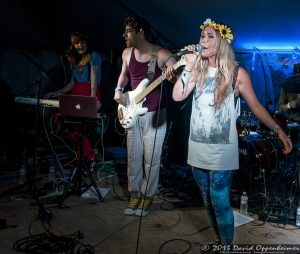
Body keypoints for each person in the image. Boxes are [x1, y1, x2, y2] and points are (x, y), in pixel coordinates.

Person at [172, 18, 293, 245]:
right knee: (207, 199)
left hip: (221, 151)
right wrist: (187, 65)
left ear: (222, 43)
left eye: (210, 37)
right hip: (197, 147)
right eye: (202, 36)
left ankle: (227, 247)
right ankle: (220, 240)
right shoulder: (196, 68)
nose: (204, 41)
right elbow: (178, 96)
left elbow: (256, 107)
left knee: (219, 200)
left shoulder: (237, 73)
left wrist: (279, 132)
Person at [114, 16, 177, 217]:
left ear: (140, 32)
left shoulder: (159, 53)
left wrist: (171, 68)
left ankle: (147, 196)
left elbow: (172, 61)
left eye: (128, 31)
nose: (124, 35)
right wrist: (118, 89)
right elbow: (124, 75)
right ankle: (135, 195)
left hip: (155, 114)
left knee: (152, 159)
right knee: (133, 157)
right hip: (133, 110)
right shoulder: (126, 53)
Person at [45, 31, 102, 165]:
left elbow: (93, 77)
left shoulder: (94, 56)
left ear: (87, 42)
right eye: (76, 43)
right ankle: (82, 159)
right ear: (73, 45)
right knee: (73, 132)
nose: (80, 45)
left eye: (82, 42)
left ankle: (90, 157)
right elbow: (72, 83)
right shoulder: (74, 59)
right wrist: (58, 92)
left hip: (89, 93)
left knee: (80, 130)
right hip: (76, 94)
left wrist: (92, 99)